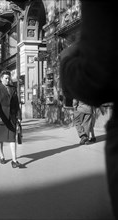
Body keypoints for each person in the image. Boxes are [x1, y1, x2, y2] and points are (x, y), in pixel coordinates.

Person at [59, 1, 117, 218]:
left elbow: (96, 79)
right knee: (83, 122)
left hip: (86, 103)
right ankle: (84, 137)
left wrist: (65, 63)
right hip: (84, 107)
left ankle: (85, 137)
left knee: (84, 122)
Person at [0, 70, 22, 168]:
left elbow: (16, 104)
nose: (8, 80)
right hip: (1, 117)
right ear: (1, 79)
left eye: (9, 78)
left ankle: (14, 160)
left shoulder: (13, 89)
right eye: (6, 78)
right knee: (0, 139)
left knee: (13, 138)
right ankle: (1, 156)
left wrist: (19, 116)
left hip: (12, 117)